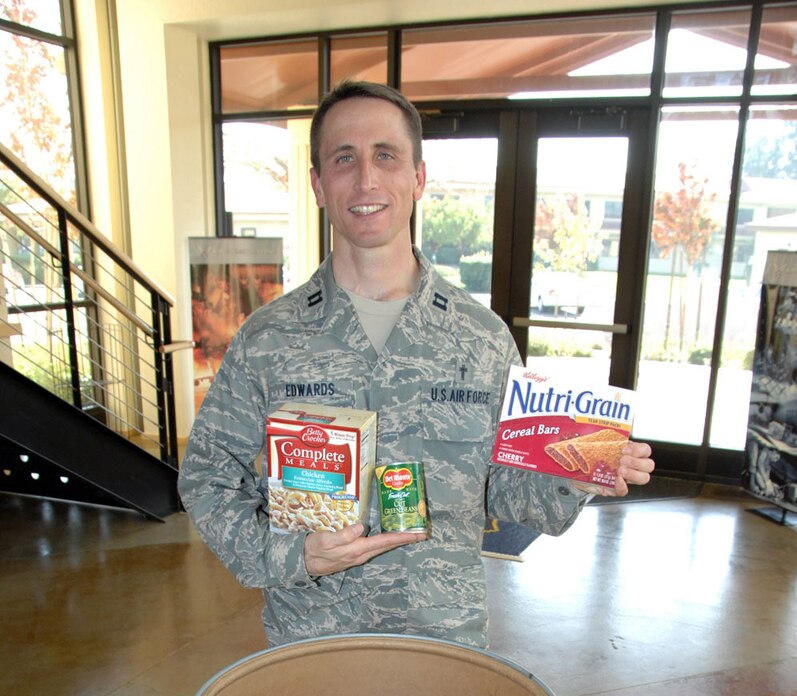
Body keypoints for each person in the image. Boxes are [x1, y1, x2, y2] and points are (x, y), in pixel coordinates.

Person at [179, 81, 655, 648]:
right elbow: (207, 476)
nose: (366, 179)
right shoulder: (269, 338)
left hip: (443, 640)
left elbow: (509, 494)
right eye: (344, 158)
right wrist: (290, 555)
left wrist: (575, 471)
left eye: (386, 156)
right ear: (318, 185)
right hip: (314, 639)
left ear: (419, 178)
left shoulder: (481, 338)